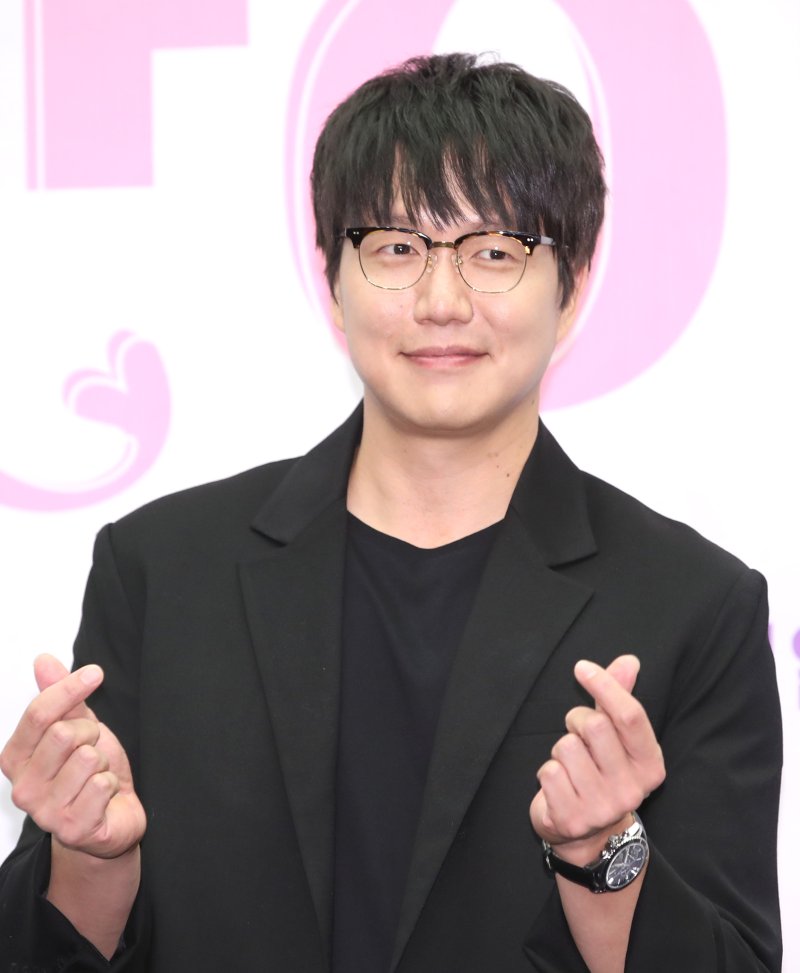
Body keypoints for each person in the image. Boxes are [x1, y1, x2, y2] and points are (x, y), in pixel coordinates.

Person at [0, 53, 782, 972]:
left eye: (495, 251)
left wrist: (604, 851)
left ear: (570, 284)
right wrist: (93, 858)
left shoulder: (693, 606)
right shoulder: (163, 571)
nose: (442, 302)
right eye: (398, 249)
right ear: (333, 277)